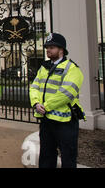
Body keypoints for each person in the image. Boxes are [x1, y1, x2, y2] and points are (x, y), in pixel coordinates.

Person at [29, 33, 85, 168]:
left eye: (52, 47)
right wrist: (36, 103)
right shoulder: (44, 67)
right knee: (46, 156)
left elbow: (66, 93)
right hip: (46, 120)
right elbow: (34, 87)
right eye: (47, 47)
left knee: (68, 157)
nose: (48, 50)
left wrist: (46, 106)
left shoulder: (72, 68)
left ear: (61, 50)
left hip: (65, 122)